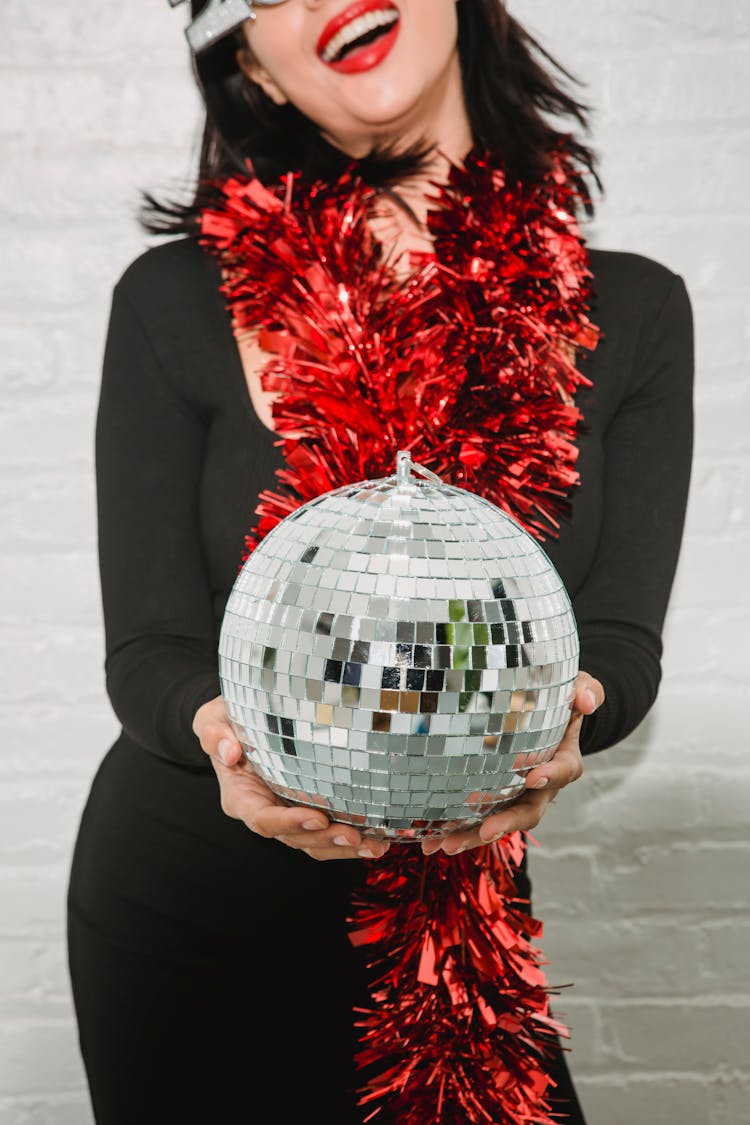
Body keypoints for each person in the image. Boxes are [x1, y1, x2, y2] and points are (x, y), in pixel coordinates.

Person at [67, 1, 693, 1122]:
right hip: (189, 908)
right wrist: (227, 738)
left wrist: (568, 717)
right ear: (252, 73)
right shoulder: (173, 301)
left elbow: (620, 641)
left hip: (457, 933)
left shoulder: (634, 309)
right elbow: (151, 647)